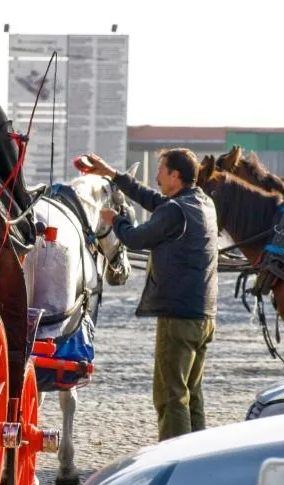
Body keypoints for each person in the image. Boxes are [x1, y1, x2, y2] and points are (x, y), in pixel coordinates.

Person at [82, 148, 218, 441]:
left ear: (175, 176)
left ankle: (173, 465)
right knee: (192, 395)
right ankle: (196, 458)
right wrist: (111, 173)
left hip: (178, 318)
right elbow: (154, 201)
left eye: (161, 171)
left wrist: (113, 219)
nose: (156, 178)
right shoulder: (203, 203)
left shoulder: (175, 210)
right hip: (204, 317)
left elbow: (133, 239)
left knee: (170, 397)